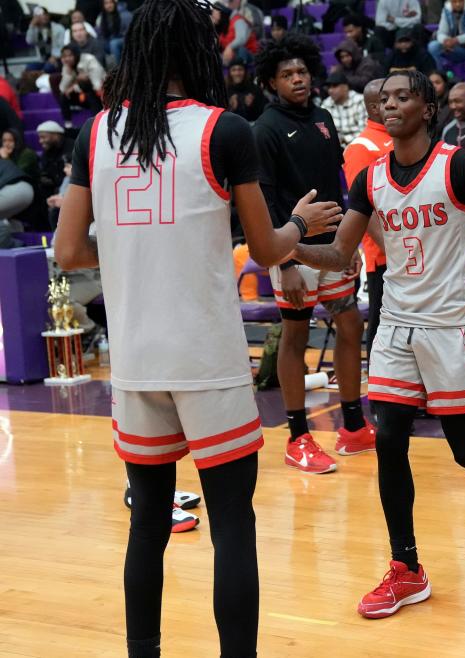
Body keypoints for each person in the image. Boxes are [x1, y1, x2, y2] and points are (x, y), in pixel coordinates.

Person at [52, 1, 342, 655]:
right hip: (205, 360)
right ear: (195, 53)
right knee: (232, 523)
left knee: (148, 523)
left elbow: (69, 252)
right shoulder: (223, 130)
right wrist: (300, 224)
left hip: (133, 361)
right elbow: (268, 251)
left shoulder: (95, 132)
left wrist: (136, 243)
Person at [292, 69, 465, 619]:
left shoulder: (458, 166)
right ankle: (406, 569)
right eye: (383, 98)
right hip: (395, 323)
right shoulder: (369, 179)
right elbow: (342, 255)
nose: (389, 105)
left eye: (402, 97)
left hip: (452, 326)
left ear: (427, 108)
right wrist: (288, 247)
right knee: (389, 437)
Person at [254, 34, 376, 469]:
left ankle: (353, 425)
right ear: (272, 81)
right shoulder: (264, 129)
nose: (297, 79)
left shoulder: (324, 119)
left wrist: (351, 241)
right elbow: (264, 201)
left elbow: (339, 191)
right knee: (297, 336)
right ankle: (298, 436)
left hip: (332, 247)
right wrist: (283, 261)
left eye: (302, 71)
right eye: (287, 74)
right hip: (293, 248)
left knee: (349, 324)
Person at [342, 78, 391, 353]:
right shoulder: (361, 147)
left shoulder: (399, 138)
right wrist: (391, 249)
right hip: (385, 257)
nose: (396, 103)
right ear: (375, 106)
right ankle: (378, 391)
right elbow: (364, 207)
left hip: (414, 251)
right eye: (389, 98)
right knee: (382, 328)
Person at [428, 0, 465, 76]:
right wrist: (445, 41)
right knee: (433, 46)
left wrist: (457, 40)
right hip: (455, 49)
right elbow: (441, 32)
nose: (457, 4)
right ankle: (440, 77)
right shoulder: (447, 9)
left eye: (460, 1)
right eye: (454, 2)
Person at [58, 45, 106, 126]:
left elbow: (97, 85)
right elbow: (62, 89)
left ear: (76, 54)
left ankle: (98, 123)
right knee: (63, 95)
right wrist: (69, 74)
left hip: (99, 94)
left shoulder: (89, 59)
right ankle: (68, 125)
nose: (67, 59)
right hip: (82, 95)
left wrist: (75, 86)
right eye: (64, 56)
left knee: (87, 88)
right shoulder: (67, 66)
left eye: (70, 55)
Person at [321, 70, 368, 146]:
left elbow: (365, 132)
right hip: (336, 148)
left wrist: (344, 139)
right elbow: (323, 132)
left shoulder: (359, 101)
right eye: (329, 87)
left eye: (335, 86)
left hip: (358, 146)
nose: (330, 90)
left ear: (346, 87)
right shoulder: (326, 104)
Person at [37, 121, 74, 204]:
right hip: (54, 191)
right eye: (40, 138)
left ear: (56, 135)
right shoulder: (47, 152)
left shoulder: (72, 147)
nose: (40, 141)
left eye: (43, 137)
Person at [213, 1, 259, 65]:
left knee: (240, 50)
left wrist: (230, 47)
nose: (213, 14)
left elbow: (241, 39)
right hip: (232, 56)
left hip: (248, 55)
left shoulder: (238, 20)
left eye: (214, 11)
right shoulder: (223, 26)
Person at [97, 0, 132, 65]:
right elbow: (100, 33)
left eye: (110, 2)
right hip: (108, 40)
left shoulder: (125, 15)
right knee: (98, 43)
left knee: (114, 43)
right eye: (106, 3)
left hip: (124, 39)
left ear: (115, 3)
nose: (109, 5)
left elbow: (131, 33)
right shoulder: (102, 17)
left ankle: (119, 68)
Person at [428, 71, 456, 140]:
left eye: (437, 83)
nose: (434, 86)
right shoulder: (422, 104)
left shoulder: (452, 105)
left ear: (445, 84)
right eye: (430, 83)